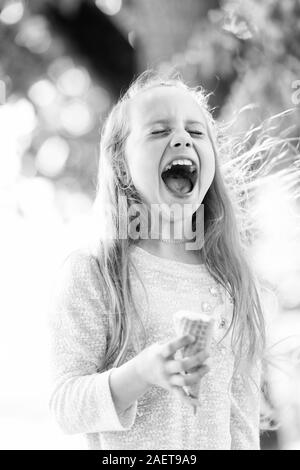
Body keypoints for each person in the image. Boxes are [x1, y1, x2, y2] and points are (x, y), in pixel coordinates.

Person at [48, 71, 267, 450]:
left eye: (196, 133)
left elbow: (241, 423)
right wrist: (142, 372)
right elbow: (65, 405)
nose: (181, 138)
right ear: (121, 164)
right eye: (159, 130)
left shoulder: (231, 280)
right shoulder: (96, 271)